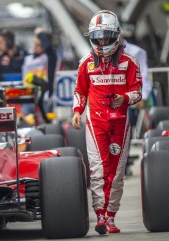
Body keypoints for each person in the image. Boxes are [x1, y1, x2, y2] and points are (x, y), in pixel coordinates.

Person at [71, 10, 142, 235]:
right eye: (97, 36)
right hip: (96, 123)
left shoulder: (130, 62)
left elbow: (138, 91)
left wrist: (125, 98)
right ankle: (100, 215)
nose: (102, 41)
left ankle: (111, 216)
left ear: (116, 35)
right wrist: (76, 112)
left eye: (106, 36)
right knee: (98, 170)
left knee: (117, 173)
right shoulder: (85, 63)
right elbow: (80, 91)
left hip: (121, 123)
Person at [119, 34, 153, 175]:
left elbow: (144, 75)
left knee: (126, 130)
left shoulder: (136, 52)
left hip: (130, 99)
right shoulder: (104, 52)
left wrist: (143, 96)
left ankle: (124, 165)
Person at [22, 29, 58, 123]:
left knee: (46, 124)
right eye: (34, 44)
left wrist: (40, 34)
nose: (35, 47)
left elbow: (49, 47)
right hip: (28, 96)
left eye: (38, 45)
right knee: (27, 126)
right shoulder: (27, 57)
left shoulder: (49, 57)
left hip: (45, 97)